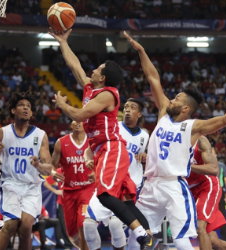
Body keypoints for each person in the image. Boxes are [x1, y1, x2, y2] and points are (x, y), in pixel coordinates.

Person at [123, 31, 226, 250]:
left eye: (177, 98)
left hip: (174, 185)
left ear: (186, 108)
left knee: (182, 239)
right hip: (151, 184)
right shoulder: (163, 113)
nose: (171, 99)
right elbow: (153, 77)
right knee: (136, 236)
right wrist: (141, 51)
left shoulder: (193, 127)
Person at [50, 29, 152, 248]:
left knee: (106, 196)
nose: (92, 70)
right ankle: (147, 235)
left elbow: (78, 115)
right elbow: (74, 66)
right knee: (119, 201)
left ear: (102, 77)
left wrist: (62, 104)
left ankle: (141, 232)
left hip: (111, 148)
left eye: (97, 69)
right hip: (100, 151)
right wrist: (63, 42)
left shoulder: (107, 94)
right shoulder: (90, 89)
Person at [0, 92, 54, 250]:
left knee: (26, 226)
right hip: (10, 184)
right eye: (22, 105)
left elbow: (48, 169)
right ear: (13, 110)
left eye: (28, 106)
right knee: (11, 225)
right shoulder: (2, 133)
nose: (26, 108)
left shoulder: (40, 135)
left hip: (31, 186)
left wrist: (38, 166)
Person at [83, 98, 150, 250]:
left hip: (128, 185)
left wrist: (146, 156)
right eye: (125, 106)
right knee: (88, 224)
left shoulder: (145, 136)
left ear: (139, 114)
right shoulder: (114, 128)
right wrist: (88, 161)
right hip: (107, 181)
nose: (127, 110)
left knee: (115, 224)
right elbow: (89, 149)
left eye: (132, 107)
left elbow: (149, 158)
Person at [187, 136, 226, 250]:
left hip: (208, 187)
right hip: (192, 192)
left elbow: (214, 170)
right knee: (213, 241)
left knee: (200, 227)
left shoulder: (199, 141)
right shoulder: (173, 146)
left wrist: (188, 167)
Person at [51, 121, 95, 249]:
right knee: (72, 234)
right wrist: (53, 172)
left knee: (83, 223)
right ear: (71, 124)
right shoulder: (61, 142)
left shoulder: (92, 141)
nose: (78, 123)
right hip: (69, 191)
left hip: (87, 189)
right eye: (75, 120)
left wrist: (96, 172)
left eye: (81, 120)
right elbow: (52, 166)